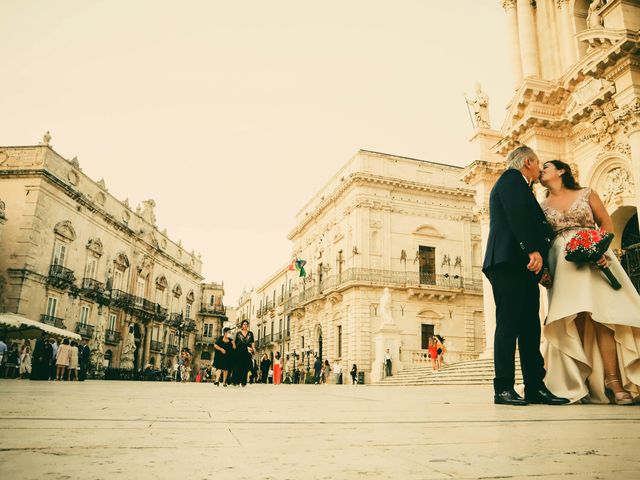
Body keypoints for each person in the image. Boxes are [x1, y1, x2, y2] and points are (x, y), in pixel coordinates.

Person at [539, 159, 640, 404]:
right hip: (562, 265)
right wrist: (543, 269)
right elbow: (540, 239)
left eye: (547, 166)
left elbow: (606, 224)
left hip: (596, 258)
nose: (542, 170)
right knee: (576, 320)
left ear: (562, 171)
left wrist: (598, 250)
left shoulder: (587, 193)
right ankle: (580, 381)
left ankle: (613, 381)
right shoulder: (540, 206)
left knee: (605, 317)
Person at [482, 145, 569, 406]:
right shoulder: (511, 180)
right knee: (508, 325)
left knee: (530, 327)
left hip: (520, 265)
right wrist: (532, 249)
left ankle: (535, 386)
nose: (540, 168)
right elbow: (517, 216)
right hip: (509, 262)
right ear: (528, 162)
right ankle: (503, 388)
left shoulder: (520, 185)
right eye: (538, 163)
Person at [234, 320, 255, 387]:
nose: (245, 325)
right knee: (238, 366)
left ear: (247, 325)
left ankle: (243, 382)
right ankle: (237, 381)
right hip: (239, 351)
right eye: (244, 324)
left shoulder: (250, 333)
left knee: (245, 367)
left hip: (247, 351)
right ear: (242, 325)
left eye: (246, 324)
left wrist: (253, 349)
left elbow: (252, 342)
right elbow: (235, 343)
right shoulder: (238, 333)